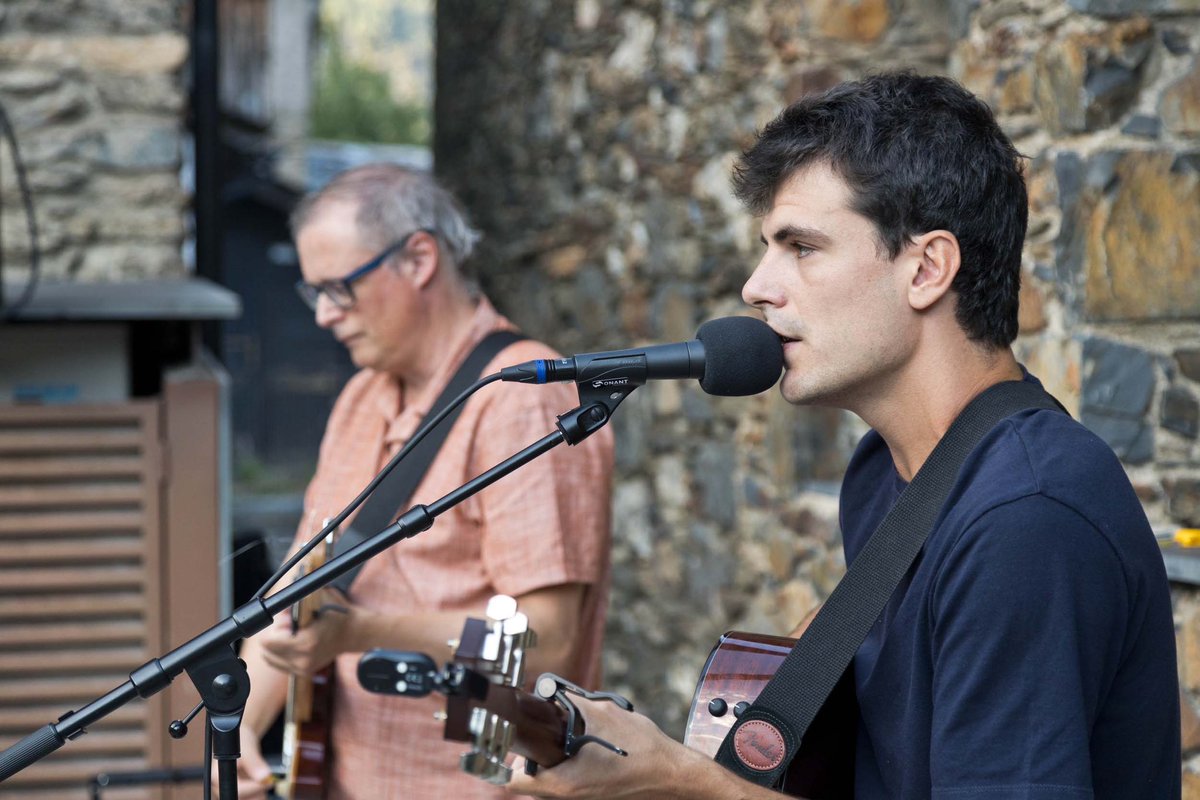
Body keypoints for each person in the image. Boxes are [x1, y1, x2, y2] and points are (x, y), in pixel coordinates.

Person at [507, 72, 1180, 799]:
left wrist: (676, 781)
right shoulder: (887, 471)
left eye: (801, 246)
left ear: (926, 269)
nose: (756, 286)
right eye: (768, 246)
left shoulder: (1025, 519)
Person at [222, 164, 614, 799]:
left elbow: (548, 642)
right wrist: (244, 722)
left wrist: (365, 632)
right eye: (312, 293)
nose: (323, 315)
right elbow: (296, 599)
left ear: (419, 259)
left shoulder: (521, 400)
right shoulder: (358, 398)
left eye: (338, 288)